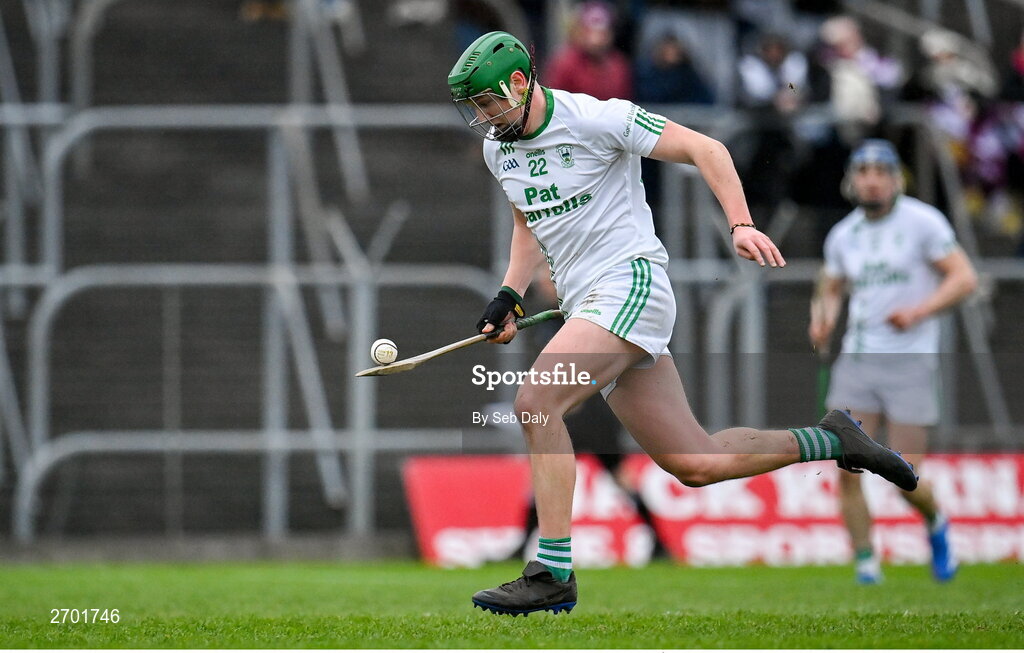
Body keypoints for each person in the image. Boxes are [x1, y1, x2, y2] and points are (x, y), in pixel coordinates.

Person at [447, 31, 918, 616]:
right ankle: (834, 438)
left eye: (489, 102)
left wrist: (741, 223)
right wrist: (510, 295)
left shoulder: (598, 118)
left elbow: (708, 149)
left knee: (536, 402)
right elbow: (528, 222)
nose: (484, 118)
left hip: (630, 283)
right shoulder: (501, 147)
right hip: (586, 302)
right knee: (695, 462)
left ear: (519, 83)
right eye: (475, 108)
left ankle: (553, 569)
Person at [808, 139, 978, 585]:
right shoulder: (844, 234)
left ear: (895, 178)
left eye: (880, 171)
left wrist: (920, 311)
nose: (871, 180)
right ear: (852, 180)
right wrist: (821, 320)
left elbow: (963, 277)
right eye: (863, 172)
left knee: (903, 472)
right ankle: (866, 564)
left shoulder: (923, 222)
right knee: (846, 465)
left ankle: (936, 523)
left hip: (910, 363)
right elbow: (830, 287)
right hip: (858, 362)